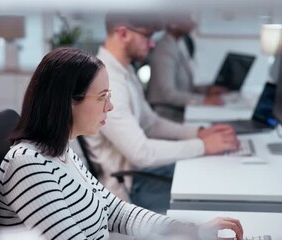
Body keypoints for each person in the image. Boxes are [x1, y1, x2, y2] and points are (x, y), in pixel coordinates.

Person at [0, 48, 244, 240]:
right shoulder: (28, 165)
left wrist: (192, 231)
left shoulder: (62, 152)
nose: (110, 107)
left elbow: (117, 212)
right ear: (67, 101)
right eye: (103, 97)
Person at [85, 13, 239, 213]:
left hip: (141, 173)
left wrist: (198, 133)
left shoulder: (125, 72)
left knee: (214, 171)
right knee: (210, 191)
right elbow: (141, 153)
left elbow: (151, 123)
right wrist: (203, 145)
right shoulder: (108, 83)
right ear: (123, 33)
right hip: (131, 185)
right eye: (147, 36)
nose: (152, 45)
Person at [146, 13, 228, 122]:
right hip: (166, 115)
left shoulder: (180, 44)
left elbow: (184, 87)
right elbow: (166, 93)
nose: (193, 23)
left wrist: (207, 90)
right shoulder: (164, 49)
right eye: (187, 18)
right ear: (172, 23)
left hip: (179, 112)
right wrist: (203, 100)